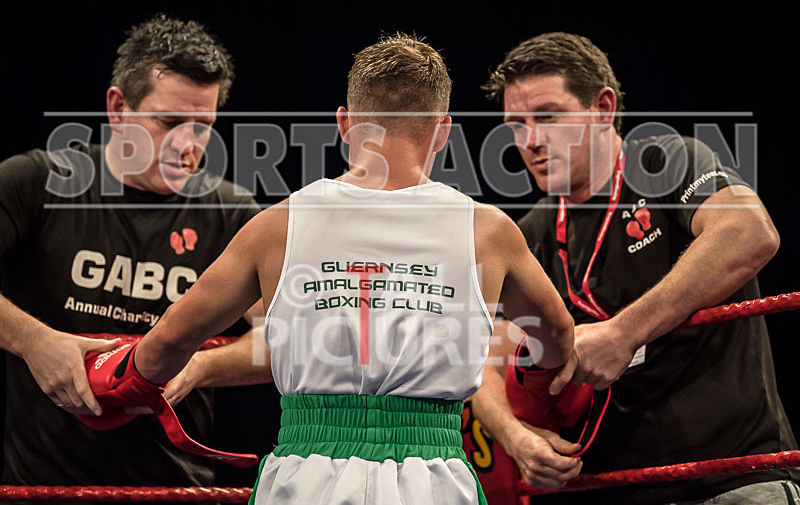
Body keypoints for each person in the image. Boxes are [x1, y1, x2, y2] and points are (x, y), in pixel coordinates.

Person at [95, 32, 578, 504]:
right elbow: (555, 331)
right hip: (434, 480)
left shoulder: (278, 225)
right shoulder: (487, 231)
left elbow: (169, 343)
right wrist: (544, 393)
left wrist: (110, 381)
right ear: (442, 132)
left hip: (305, 479)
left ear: (344, 123)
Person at [471, 32, 800, 503]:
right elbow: (485, 358)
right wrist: (515, 437)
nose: (531, 141)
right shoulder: (529, 232)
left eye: (548, 116)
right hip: (609, 488)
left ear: (603, 108)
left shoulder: (668, 160)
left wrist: (623, 333)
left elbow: (750, 233)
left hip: (732, 479)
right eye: (516, 125)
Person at [0, 14, 271, 489]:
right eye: (168, 122)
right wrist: (34, 341)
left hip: (177, 489)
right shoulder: (37, 182)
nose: (188, 146)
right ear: (118, 108)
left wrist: (199, 365)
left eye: (203, 127)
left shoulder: (233, 215)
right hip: (41, 488)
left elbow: (283, 342)